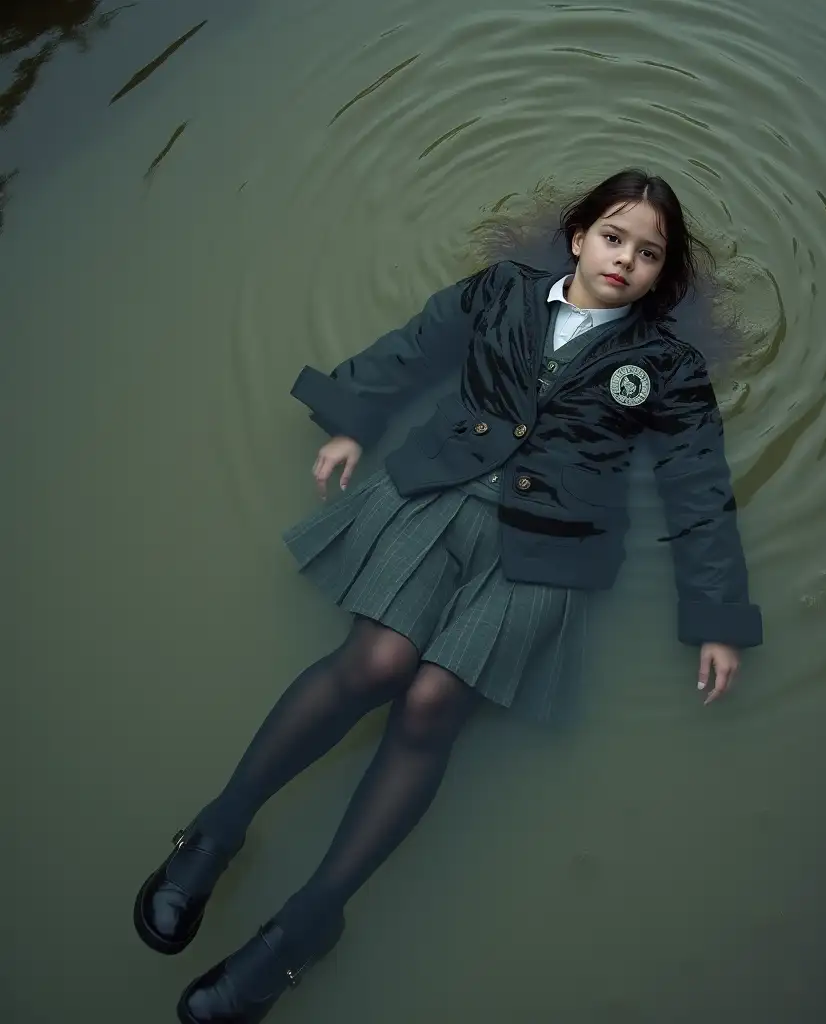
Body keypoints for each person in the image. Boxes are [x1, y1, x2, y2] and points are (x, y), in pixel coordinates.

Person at [133, 168, 763, 1023]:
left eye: (648, 253)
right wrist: (354, 418)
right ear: (579, 236)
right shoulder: (502, 291)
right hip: (438, 493)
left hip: (553, 543)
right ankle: (216, 829)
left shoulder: (666, 366)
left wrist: (717, 618)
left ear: (660, 275)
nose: (626, 259)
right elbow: (416, 347)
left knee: (431, 702)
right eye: (615, 237)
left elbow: (697, 487)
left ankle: (308, 924)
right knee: (377, 660)